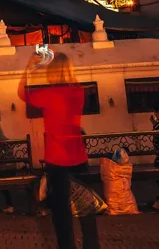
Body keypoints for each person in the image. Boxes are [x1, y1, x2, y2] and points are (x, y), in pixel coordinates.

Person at [19, 52, 99, 249]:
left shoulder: (49, 94)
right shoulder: (78, 91)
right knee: (85, 207)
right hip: (78, 155)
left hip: (57, 158)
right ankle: (92, 245)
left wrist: (30, 66)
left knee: (62, 212)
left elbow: (23, 94)